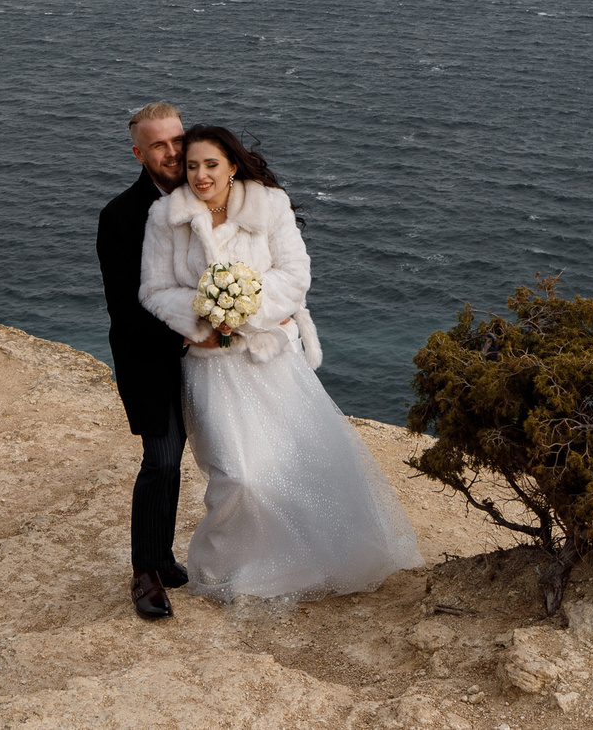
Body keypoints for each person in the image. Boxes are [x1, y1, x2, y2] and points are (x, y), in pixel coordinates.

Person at [139, 124, 422, 601]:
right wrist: (203, 322)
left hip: (268, 359)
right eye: (192, 166)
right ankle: (229, 567)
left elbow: (294, 275)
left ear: (232, 164)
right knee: (238, 475)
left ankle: (300, 563)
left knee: (295, 465)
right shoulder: (165, 216)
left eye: (211, 164)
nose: (201, 175)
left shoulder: (269, 205)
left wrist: (243, 312)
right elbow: (156, 289)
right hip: (209, 368)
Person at [96, 101, 191, 620]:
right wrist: (189, 336)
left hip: (206, 357)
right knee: (161, 459)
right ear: (138, 152)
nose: (173, 151)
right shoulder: (119, 216)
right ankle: (145, 573)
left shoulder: (209, 196)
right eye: (159, 144)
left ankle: (165, 556)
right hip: (149, 358)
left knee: (187, 462)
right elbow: (124, 309)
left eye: (177, 139)